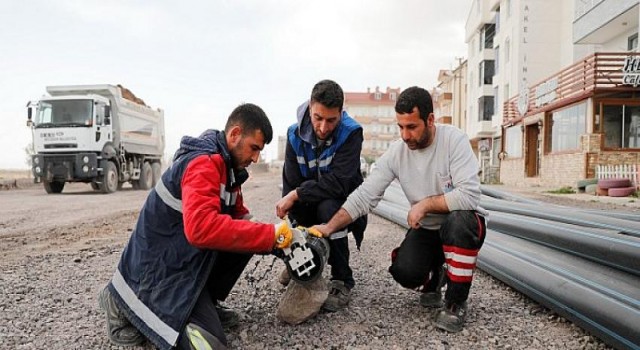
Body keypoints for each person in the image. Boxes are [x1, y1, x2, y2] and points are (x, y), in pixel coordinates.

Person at [97, 103, 304, 350]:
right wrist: (270, 235)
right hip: (160, 270)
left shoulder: (228, 169)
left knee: (247, 233)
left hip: (182, 260)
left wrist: (285, 240)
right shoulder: (203, 164)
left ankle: (204, 300)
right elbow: (201, 229)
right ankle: (118, 302)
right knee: (207, 343)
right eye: (254, 148)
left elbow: (241, 219)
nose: (256, 158)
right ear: (235, 134)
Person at [312, 86, 487, 332]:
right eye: (400, 127)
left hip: (461, 225)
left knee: (459, 222)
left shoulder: (453, 141)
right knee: (404, 271)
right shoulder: (397, 152)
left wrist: (425, 204)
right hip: (427, 229)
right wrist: (329, 227)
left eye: (412, 127)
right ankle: (436, 277)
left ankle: (456, 302)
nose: (405, 135)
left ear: (430, 120)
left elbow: (469, 196)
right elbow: (364, 196)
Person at [275, 79, 367, 312]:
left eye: (331, 120)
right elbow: (291, 183)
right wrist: (291, 203)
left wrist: (298, 193)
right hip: (309, 200)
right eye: (318, 118)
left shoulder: (351, 133)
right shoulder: (294, 135)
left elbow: (339, 183)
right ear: (309, 109)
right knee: (294, 208)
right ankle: (301, 259)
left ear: (341, 113)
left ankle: (342, 279)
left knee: (329, 208)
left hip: (341, 203)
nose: (324, 127)